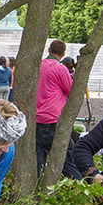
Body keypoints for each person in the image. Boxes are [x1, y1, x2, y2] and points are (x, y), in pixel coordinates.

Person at [35, 39, 73, 175]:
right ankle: (77, 185)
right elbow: (71, 91)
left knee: (37, 161)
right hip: (53, 119)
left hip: (36, 119)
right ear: (63, 54)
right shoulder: (60, 69)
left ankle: (35, 189)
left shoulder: (37, 66)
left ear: (48, 50)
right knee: (67, 160)